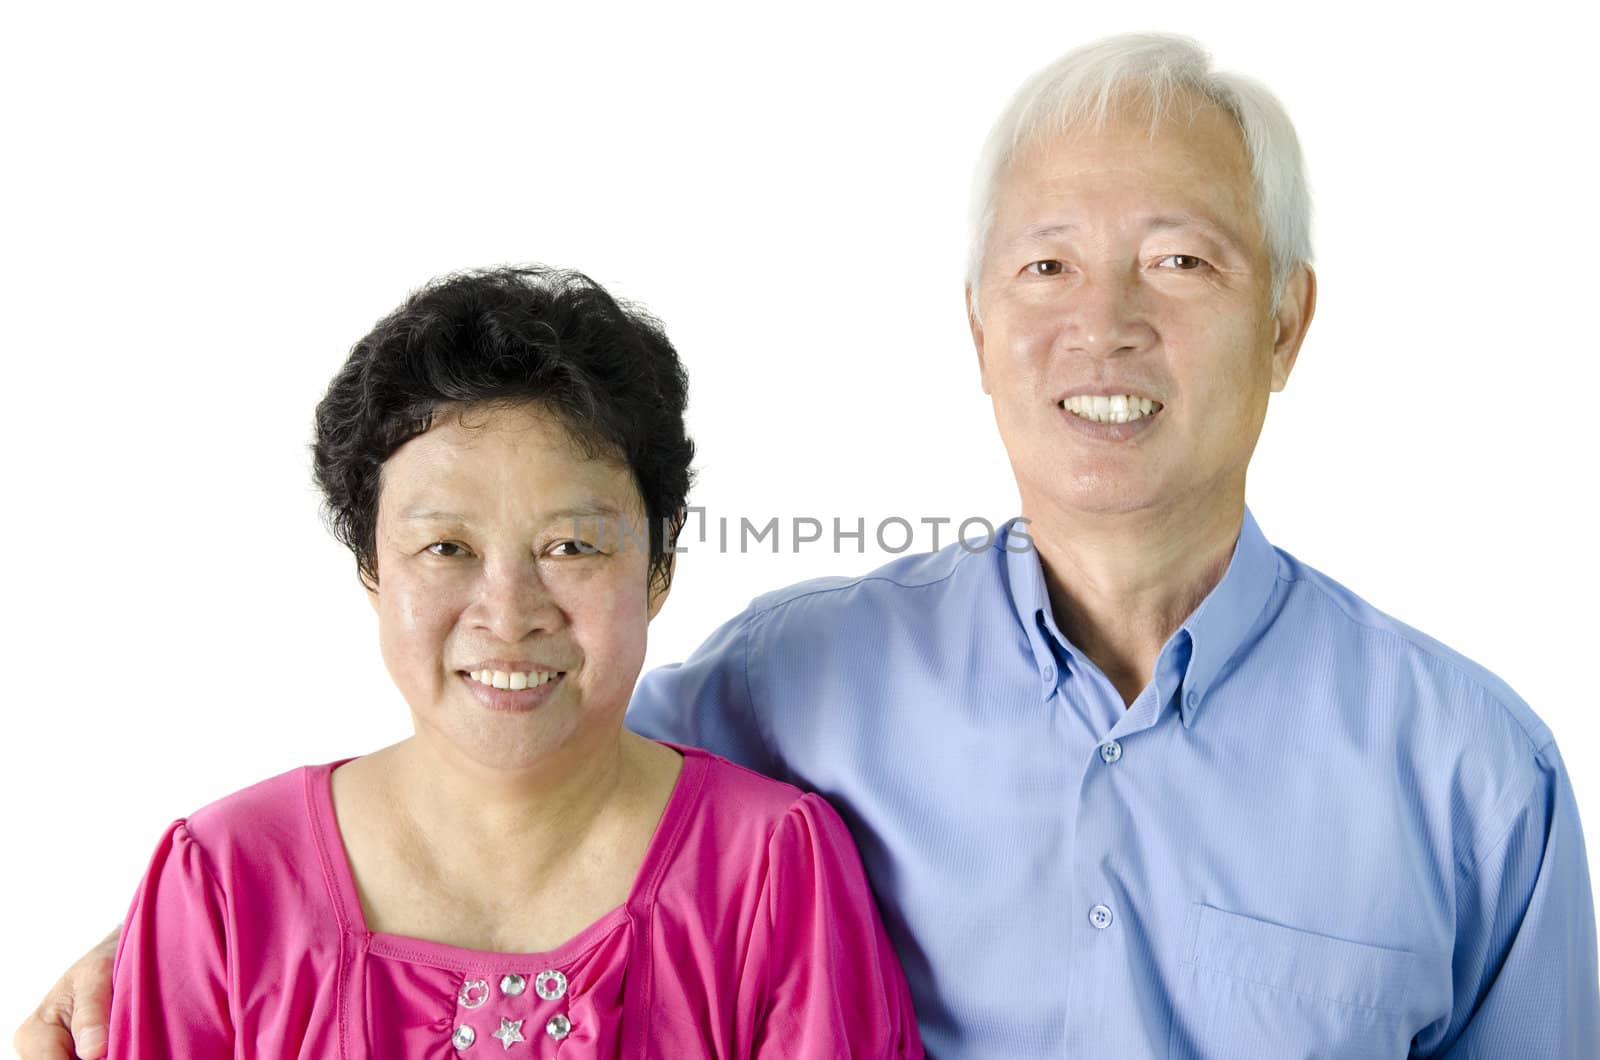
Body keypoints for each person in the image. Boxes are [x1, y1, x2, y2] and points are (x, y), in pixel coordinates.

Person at [18, 31, 1598, 1060]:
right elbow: (519, 742)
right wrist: (183, 926)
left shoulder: (1475, 774)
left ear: (1285, 320)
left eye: (1180, 259)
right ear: (979, 329)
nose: (1101, 322)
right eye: (1044, 264)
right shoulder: (801, 681)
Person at [63, 266, 923, 1058]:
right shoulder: (222, 883)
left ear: (660, 569)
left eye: (573, 545)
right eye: (445, 546)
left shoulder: (773, 873)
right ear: (372, 567)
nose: (508, 613)